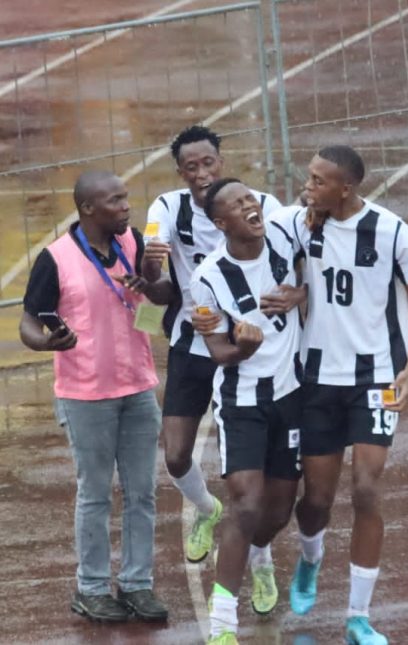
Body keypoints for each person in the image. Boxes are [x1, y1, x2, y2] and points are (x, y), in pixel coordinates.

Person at [272, 145, 408, 645]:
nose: (308, 186)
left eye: (318, 181)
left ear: (346, 188)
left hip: (376, 378)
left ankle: (358, 617)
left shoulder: (391, 231)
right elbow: (255, 242)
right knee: (316, 500)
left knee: (365, 488)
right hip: (318, 380)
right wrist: (296, 292)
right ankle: (311, 557)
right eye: (309, 177)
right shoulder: (300, 225)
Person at [19, 170, 173, 623]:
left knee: (142, 492)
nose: (126, 206)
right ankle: (91, 588)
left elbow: (164, 294)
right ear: (88, 208)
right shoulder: (56, 258)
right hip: (85, 395)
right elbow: (29, 321)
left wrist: (150, 279)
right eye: (115, 200)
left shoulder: (133, 242)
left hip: (138, 387)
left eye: (125, 198)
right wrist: (46, 342)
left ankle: (137, 584)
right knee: (95, 494)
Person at [141, 125, 283, 613]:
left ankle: (262, 562)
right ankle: (206, 508)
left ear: (220, 161)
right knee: (177, 455)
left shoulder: (258, 204)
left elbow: (294, 252)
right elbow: (153, 274)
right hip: (194, 344)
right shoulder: (168, 208)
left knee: (249, 479)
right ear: (180, 172)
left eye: (208, 163)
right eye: (191, 167)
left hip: (250, 352)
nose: (201, 173)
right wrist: (151, 263)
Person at [189, 178, 306, 645]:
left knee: (277, 511)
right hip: (241, 401)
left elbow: (321, 277)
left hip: (291, 395)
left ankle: (260, 554)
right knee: (246, 504)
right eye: (237, 205)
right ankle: (222, 624)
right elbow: (218, 351)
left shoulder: (285, 237)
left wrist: (298, 295)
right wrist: (243, 348)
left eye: (250, 198)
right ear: (221, 223)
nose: (249, 206)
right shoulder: (207, 278)